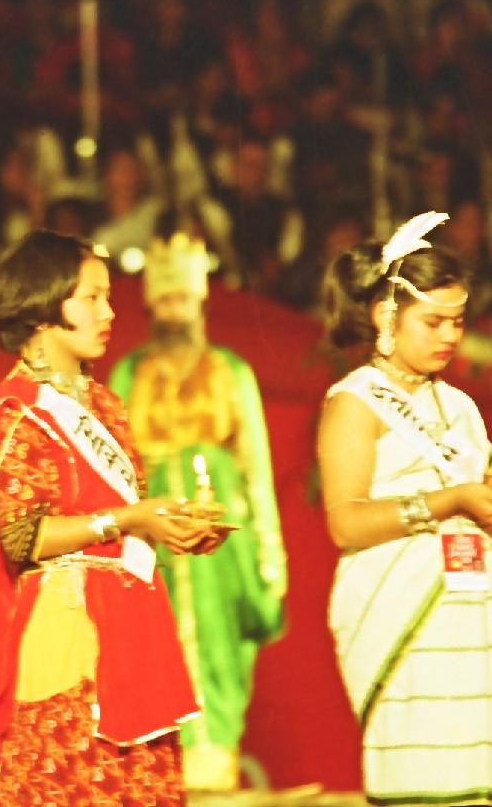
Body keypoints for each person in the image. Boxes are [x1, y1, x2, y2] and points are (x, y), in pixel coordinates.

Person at [316, 212, 492, 806]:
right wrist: (453, 500)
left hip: (473, 618)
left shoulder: (462, 408)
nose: (450, 336)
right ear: (385, 316)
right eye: (433, 321)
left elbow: (480, 502)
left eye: (458, 321)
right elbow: (345, 523)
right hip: (407, 624)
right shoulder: (354, 403)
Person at [0, 230, 210, 804]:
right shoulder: (19, 410)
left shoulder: (106, 405)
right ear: (42, 308)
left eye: (109, 298)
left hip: (133, 628)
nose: (109, 312)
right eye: (92, 298)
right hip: (68, 632)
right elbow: (20, 537)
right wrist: (126, 519)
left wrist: (169, 525)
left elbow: (126, 518)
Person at [108, 233, 287, 790]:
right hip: (153, 541)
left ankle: (216, 764)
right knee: (153, 649)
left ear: (201, 301)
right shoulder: (129, 374)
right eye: (165, 300)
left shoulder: (230, 371)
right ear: (150, 307)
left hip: (221, 547)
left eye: (183, 299)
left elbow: (257, 468)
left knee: (222, 650)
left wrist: (271, 558)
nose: (175, 310)